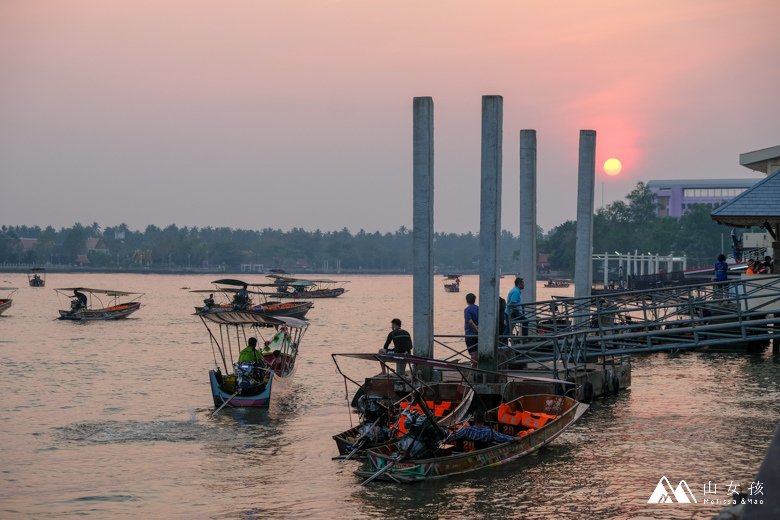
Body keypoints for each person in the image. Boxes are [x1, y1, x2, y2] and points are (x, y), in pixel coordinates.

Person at [444, 409, 521, 445]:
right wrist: (514, 438)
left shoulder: (466, 430)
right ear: (484, 420)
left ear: (474, 420)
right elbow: (502, 437)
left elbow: (453, 436)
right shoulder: (490, 432)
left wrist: (445, 434)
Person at [464, 293, 479, 365]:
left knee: (473, 353)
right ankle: (477, 369)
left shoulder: (467, 310)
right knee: (477, 353)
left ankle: (474, 371)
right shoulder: (478, 308)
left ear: (467, 301)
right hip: (478, 335)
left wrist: (476, 329)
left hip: (470, 334)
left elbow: (470, 322)